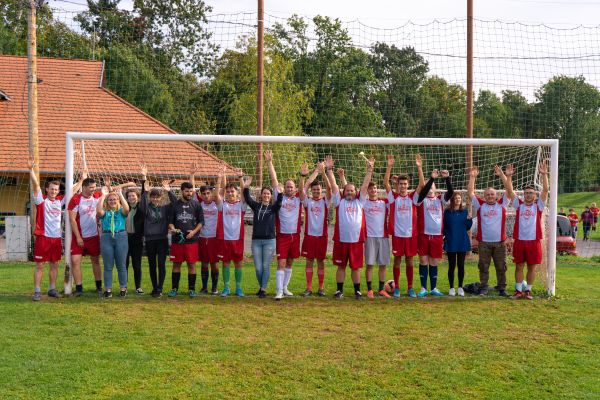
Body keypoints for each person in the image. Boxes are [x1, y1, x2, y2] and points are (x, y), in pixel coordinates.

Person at [326, 155, 371, 299]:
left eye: (352, 190)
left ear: (356, 192)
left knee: (355, 267)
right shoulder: (339, 202)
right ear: (343, 192)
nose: (349, 192)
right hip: (341, 240)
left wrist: (369, 171)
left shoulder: (360, 202)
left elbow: (365, 186)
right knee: (341, 267)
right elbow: (334, 185)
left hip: (356, 241)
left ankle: (357, 291)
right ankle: (339, 290)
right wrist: (329, 170)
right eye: (347, 190)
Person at [467, 165, 515, 297]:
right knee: (483, 266)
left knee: (501, 266)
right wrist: (472, 177)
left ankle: (501, 288)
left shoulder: (502, 204)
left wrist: (505, 176)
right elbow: (470, 192)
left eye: (492, 194)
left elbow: (509, 189)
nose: (490, 196)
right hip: (484, 243)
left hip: (500, 243)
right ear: (484, 196)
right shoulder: (480, 205)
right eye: (487, 194)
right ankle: (483, 287)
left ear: (496, 195)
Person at [383, 154, 424, 298]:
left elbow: (422, 185)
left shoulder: (413, 197)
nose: (403, 186)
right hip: (398, 235)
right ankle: (398, 288)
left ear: (408, 185)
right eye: (401, 184)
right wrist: (389, 166)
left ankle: (411, 288)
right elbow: (385, 183)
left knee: (410, 260)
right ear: (398, 185)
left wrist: (419, 167)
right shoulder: (393, 197)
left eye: (405, 184)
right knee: (398, 260)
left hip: (411, 235)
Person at [265, 150, 304, 298]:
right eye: (287, 186)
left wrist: (304, 175)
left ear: (294, 189)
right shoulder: (280, 197)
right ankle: (279, 291)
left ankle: (285, 287)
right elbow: (274, 181)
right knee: (281, 263)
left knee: (289, 263)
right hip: (282, 236)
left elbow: (303, 186)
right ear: (284, 188)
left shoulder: (298, 198)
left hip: (295, 235)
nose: (289, 188)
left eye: (291, 187)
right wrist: (269, 162)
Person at [511, 162, 549, 300]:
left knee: (532, 267)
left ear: (534, 195)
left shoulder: (538, 206)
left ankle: (528, 291)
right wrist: (509, 177)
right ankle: (518, 291)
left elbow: (545, 190)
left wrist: (544, 174)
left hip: (534, 241)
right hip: (520, 241)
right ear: (524, 195)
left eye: (531, 193)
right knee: (519, 266)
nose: (528, 195)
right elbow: (510, 192)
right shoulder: (518, 205)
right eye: (526, 193)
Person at [414, 166, 453, 297]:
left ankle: (434, 288)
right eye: (428, 187)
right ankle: (423, 288)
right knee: (423, 261)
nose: (430, 189)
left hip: (437, 236)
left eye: (432, 187)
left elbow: (451, 192)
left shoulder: (440, 199)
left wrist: (447, 178)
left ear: (436, 189)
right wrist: (431, 179)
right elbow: (423, 191)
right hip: (423, 235)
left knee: (434, 262)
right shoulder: (420, 200)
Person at [29, 159, 65, 301]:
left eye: (56, 189)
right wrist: (31, 170)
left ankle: (52, 289)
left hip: (56, 239)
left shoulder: (60, 201)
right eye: (51, 189)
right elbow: (36, 186)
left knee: (55, 264)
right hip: (43, 237)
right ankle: (37, 291)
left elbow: (73, 190)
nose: (53, 191)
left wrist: (81, 179)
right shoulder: (41, 200)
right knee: (40, 265)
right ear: (47, 189)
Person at [242, 176, 283, 298]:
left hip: (269, 241)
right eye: (264, 193)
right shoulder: (256, 206)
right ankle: (261, 287)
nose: (266, 195)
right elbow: (248, 199)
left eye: (268, 194)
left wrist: (280, 193)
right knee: (258, 268)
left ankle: (263, 289)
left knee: (265, 266)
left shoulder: (273, 208)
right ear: (261, 195)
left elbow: (280, 202)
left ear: (271, 196)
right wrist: (246, 186)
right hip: (256, 241)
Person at [139, 169, 177, 298]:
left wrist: (168, 191)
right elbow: (142, 204)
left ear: (161, 198)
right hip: (150, 240)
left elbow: (176, 204)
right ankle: (154, 287)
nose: (155, 199)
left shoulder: (165, 208)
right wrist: (145, 189)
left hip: (162, 239)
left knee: (161, 264)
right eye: (153, 196)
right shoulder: (146, 208)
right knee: (152, 264)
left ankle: (160, 288)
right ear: (150, 197)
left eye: (157, 197)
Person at [167, 182, 204, 298]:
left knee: (191, 265)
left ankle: (191, 289)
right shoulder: (174, 205)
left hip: (192, 241)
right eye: (187, 191)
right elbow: (170, 222)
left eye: (191, 191)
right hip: (177, 241)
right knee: (176, 265)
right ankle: (174, 289)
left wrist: (193, 232)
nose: (189, 193)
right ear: (182, 191)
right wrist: (173, 229)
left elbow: (201, 222)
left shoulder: (196, 205)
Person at [300, 162, 331, 297]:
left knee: (321, 262)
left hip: (322, 237)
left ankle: (321, 288)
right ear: (312, 191)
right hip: (309, 236)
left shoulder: (325, 201)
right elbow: (302, 189)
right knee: (309, 261)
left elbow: (330, 188)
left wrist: (323, 172)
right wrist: (308, 174)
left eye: (319, 189)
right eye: (315, 190)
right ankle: (308, 288)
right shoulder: (308, 202)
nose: (317, 191)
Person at [68, 177, 103, 297]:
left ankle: (99, 286)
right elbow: (72, 219)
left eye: (94, 187)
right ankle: (79, 288)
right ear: (84, 187)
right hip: (79, 237)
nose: (93, 190)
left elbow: (113, 190)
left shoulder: (97, 196)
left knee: (95, 260)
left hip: (93, 237)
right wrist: (78, 237)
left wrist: (129, 183)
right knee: (75, 261)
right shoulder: (76, 199)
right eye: (91, 187)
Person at [215, 169, 247, 297]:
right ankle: (226, 287)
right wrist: (219, 178)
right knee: (226, 263)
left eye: (232, 191)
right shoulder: (222, 205)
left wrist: (240, 178)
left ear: (237, 193)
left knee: (238, 263)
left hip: (238, 239)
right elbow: (217, 194)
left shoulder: (242, 205)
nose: (229, 193)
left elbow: (245, 192)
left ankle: (238, 288)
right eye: (227, 192)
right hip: (225, 239)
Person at [190, 164, 220, 295]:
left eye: (208, 193)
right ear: (201, 195)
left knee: (214, 263)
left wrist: (220, 177)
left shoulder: (217, 204)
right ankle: (204, 287)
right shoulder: (198, 203)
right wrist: (192, 175)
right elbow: (191, 190)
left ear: (211, 193)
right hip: (201, 237)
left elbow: (219, 191)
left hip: (214, 238)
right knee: (204, 263)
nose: (206, 195)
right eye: (204, 194)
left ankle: (214, 287)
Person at [96, 186, 130, 298]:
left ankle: (123, 288)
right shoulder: (105, 213)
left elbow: (127, 209)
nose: (112, 201)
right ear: (107, 201)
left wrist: (120, 195)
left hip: (121, 237)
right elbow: (98, 211)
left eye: (114, 199)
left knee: (121, 265)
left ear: (118, 201)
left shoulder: (121, 212)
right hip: (106, 237)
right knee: (108, 266)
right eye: (110, 199)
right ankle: (108, 289)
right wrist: (103, 195)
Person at [362, 178, 390, 299]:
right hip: (370, 237)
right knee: (369, 265)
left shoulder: (384, 202)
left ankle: (381, 289)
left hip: (383, 237)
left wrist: (392, 184)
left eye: (375, 188)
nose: (373, 190)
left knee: (383, 264)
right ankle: (369, 290)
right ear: (367, 190)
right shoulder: (364, 203)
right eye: (371, 188)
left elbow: (394, 195)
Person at [443, 192, 473, 297]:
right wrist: (444, 237)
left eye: (459, 198)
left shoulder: (464, 212)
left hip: (462, 241)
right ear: (452, 200)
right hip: (451, 241)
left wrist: (470, 219)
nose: (458, 200)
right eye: (456, 198)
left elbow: (468, 227)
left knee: (461, 265)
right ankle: (451, 287)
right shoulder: (447, 212)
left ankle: (460, 287)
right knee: (452, 266)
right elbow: (444, 226)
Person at [125, 186, 144, 294]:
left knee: (137, 264)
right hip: (125, 239)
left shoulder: (141, 208)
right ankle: (124, 287)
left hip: (137, 239)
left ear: (137, 197)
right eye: (129, 196)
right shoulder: (124, 208)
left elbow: (145, 195)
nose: (131, 197)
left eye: (133, 195)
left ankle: (138, 287)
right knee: (125, 264)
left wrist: (143, 179)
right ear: (127, 198)